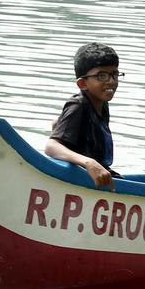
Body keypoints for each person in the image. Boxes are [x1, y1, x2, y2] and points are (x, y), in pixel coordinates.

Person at [45, 42, 123, 189]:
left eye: (114, 74)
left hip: (98, 177)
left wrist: (60, 126)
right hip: (82, 181)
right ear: (82, 84)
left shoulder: (102, 104)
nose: (111, 81)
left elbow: (58, 124)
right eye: (102, 76)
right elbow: (51, 146)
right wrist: (89, 163)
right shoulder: (79, 105)